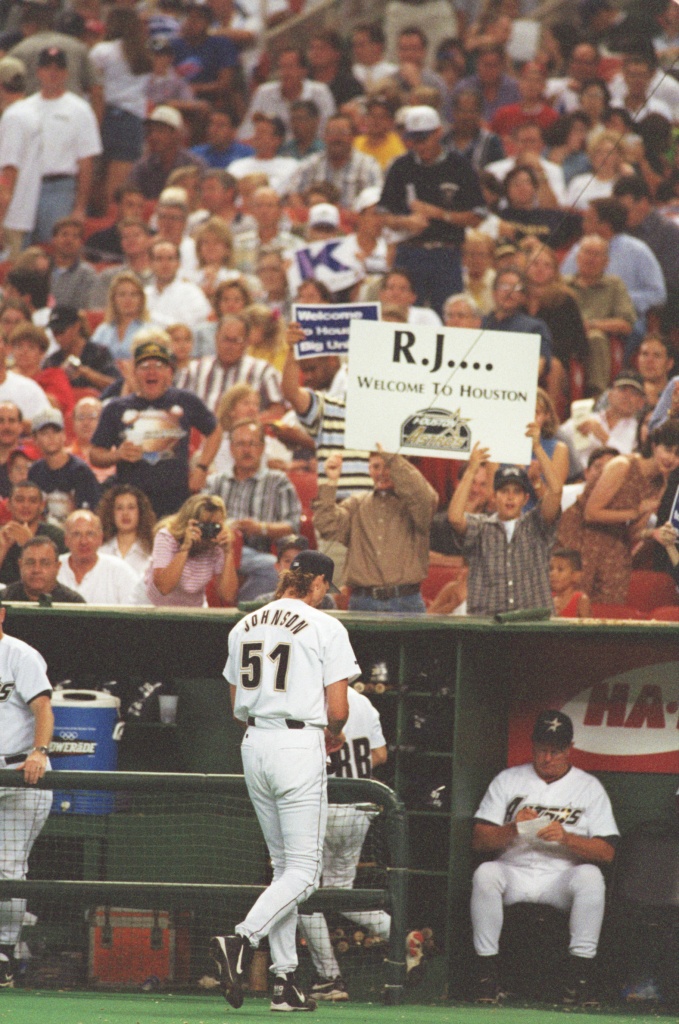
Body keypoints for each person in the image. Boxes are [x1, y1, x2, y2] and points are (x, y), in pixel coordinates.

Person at [211, 548, 358, 1011]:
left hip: (255, 743)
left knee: (282, 870)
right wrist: (332, 735)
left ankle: (284, 983)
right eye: (324, 588)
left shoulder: (243, 624)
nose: (325, 596)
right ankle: (240, 940)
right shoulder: (326, 625)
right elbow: (338, 710)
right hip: (298, 745)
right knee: (304, 872)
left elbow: (237, 706)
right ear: (316, 583)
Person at [471, 709, 619, 1006]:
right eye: (541, 750)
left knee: (591, 877)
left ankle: (578, 978)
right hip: (514, 870)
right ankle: (486, 977)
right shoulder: (508, 780)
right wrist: (514, 828)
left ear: (569, 749)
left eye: (555, 751)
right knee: (485, 873)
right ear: (532, 746)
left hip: (560, 877)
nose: (547, 758)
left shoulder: (588, 787)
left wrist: (567, 838)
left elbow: (607, 852)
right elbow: (478, 840)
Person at [298, 684, 389, 1002]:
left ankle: (329, 978)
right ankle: (398, 933)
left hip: (324, 806)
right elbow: (380, 755)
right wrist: (351, 766)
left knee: (302, 891)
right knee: (339, 894)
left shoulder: (309, 699)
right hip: (359, 809)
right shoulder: (363, 703)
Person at [90, 333, 220, 518]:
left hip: (176, 501)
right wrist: (118, 455)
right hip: (132, 504)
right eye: (144, 367)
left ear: (170, 372)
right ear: (134, 373)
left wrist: (202, 468)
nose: (152, 372)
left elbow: (215, 430)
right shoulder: (116, 408)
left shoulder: (185, 401)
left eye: (159, 366)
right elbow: (95, 454)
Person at [379, 105, 485, 320]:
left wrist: (440, 214)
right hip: (409, 251)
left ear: (438, 133)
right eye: (414, 140)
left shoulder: (459, 166)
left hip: (446, 253)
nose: (419, 146)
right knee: (401, 314)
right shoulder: (400, 166)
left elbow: (477, 215)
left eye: (424, 139)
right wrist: (404, 222)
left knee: (448, 313)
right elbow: (381, 214)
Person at [448, 432, 563, 616]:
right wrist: (471, 471)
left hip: (532, 624)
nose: (510, 497)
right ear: (493, 496)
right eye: (504, 491)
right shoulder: (481, 526)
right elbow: (454, 517)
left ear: (526, 499)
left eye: (516, 491)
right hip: (489, 627)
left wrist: (537, 448)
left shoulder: (536, 524)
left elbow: (556, 490)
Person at [0, 603, 54, 988]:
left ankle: (5, 950)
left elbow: (43, 709)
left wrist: (39, 751)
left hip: (22, 771)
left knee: (8, 867)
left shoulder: (20, 654)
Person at [314, 446, 437, 613]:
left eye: (388, 466)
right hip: (362, 602)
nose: (382, 472)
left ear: (399, 467)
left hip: (406, 602)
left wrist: (394, 458)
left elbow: (424, 497)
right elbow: (326, 525)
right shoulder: (357, 504)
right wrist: (331, 482)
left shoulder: (415, 507)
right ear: (369, 470)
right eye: (376, 467)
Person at [577, 422, 679, 603]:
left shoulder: (661, 486)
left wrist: (653, 533)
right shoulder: (623, 465)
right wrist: (635, 512)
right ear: (654, 445)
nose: (671, 458)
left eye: (678, 454)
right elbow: (591, 513)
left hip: (616, 548)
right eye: (668, 449)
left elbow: (634, 533)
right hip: (581, 537)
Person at [206, 419, 301, 600]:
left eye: (252, 444)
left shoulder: (278, 481)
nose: (247, 450)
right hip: (218, 551)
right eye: (240, 444)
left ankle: (240, 612)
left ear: (263, 447)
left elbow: (293, 526)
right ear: (231, 448)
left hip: (259, 552)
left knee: (273, 569)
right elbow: (200, 519)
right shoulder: (215, 482)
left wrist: (260, 528)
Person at [14, 45, 102, 243]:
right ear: (38, 72)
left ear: (66, 73)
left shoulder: (80, 109)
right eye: (47, 67)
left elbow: (86, 161)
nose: (52, 73)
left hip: (59, 188)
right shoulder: (23, 108)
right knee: (20, 247)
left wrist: (80, 207)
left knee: (55, 248)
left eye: (58, 68)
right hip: (24, 185)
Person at [144, 492, 237, 607]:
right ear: (188, 523)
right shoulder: (166, 537)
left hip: (192, 607)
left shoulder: (216, 544)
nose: (208, 532)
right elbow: (164, 588)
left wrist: (228, 552)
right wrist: (184, 549)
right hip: (153, 603)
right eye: (203, 526)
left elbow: (228, 596)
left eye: (214, 526)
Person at [184, 313, 284, 418]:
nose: (229, 346)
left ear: (246, 342)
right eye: (225, 339)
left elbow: (277, 411)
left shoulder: (263, 371)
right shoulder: (194, 369)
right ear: (216, 338)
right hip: (200, 431)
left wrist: (248, 424)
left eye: (236, 340)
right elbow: (178, 405)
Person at [238, 46, 336, 143]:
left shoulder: (320, 92)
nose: (285, 73)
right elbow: (247, 132)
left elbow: (329, 130)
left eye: (290, 67)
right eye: (282, 67)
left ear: (304, 71)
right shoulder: (263, 92)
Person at [28, 407, 100, 528]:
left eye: (56, 432)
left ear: (64, 435)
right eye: (45, 433)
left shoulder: (80, 471)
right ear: (35, 439)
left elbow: (89, 516)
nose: (51, 437)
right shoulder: (35, 471)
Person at [57, 509, 138, 604]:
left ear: (100, 538)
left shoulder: (121, 571)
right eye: (76, 534)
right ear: (66, 540)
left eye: (90, 534)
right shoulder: (53, 568)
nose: (84, 541)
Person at [127, 105, 206, 201]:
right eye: (150, 131)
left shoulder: (194, 165)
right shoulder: (143, 166)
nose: (153, 136)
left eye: (160, 131)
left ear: (176, 134)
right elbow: (131, 195)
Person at [0, 479, 65, 586]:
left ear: (42, 506)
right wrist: (2, 549)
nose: (26, 505)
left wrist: (30, 544)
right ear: (8, 505)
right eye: (20, 500)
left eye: (33, 501)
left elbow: (63, 579)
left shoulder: (57, 536)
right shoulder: (2, 536)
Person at [8, 322, 75, 422]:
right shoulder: (5, 377)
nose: (24, 351)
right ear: (11, 351)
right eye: (19, 346)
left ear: (42, 353)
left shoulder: (54, 375)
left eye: (31, 347)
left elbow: (59, 407)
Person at [144, 240, 212, 334]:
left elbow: (188, 329)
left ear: (179, 263)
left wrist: (150, 316)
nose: (165, 264)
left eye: (170, 258)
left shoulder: (192, 292)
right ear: (150, 263)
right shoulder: (143, 295)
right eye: (159, 259)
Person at [92, 271, 152, 366]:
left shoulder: (150, 331)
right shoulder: (103, 330)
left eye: (133, 294)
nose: (128, 299)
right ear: (113, 299)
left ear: (141, 299)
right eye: (122, 294)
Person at [97, 484, 156, 581]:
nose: (125, 513)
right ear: (111, 513)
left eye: (131, 507)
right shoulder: (100, 551)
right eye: (119, 508)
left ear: (140, 512)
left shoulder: (151, 552)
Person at [3, 535, 84, 603]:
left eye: (45, 563)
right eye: (30, 563)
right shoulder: (3, 599)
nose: (36, 570)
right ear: (20, 565)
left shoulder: (73, 603)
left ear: (57, 567)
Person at [550, 548, 591, 618]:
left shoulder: (581, 600)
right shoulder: (549, 598)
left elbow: (588, 627)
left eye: (560, 569)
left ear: (575, 575)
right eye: (550, 569)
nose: (552, 573)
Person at [0, 402, 23, 498]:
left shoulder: (31, 461)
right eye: (1, 421)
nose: (6, 427)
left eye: (12, 421)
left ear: (21, 426)